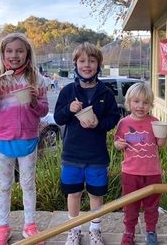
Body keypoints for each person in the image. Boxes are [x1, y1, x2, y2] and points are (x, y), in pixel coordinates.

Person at [0, 33, 48, 245]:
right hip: (3, 140)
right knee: (4, 185)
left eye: (20, 50)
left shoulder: (37, 79)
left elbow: (43, 111)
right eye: (9, 51)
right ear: (3, 54)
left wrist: (33, 102)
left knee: (28, 184)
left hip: (28, 139)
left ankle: (30, 225)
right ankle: (3, 228)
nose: (14, 55)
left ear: (27, 53)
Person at [54, 43, 121, 245]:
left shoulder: (106, 93)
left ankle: (95, 230)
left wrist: (100, 124)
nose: (87, 65)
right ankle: (74, 230)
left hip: (97, 155)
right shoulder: (67, 91)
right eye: (82, 61)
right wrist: (69, 109)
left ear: (98, 64)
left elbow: (114, 117)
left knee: (95, 194)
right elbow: (58, 118)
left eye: (92, 61)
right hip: (72, 154)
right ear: (75, 64)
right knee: (73, 193)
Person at [114, 82, 167, 245]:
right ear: (129, 102)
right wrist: (119, 144)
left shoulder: (155, 121)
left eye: (145, 103)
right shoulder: (123, 123)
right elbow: (118, 143)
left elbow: (160, 144)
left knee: (151, 206)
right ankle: (129, 231)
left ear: (151, 105)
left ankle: (151, 231)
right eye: (136, 101)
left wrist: (165, 135)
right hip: (130, 172)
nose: (141, 106)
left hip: (152, 172)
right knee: (130, 205)